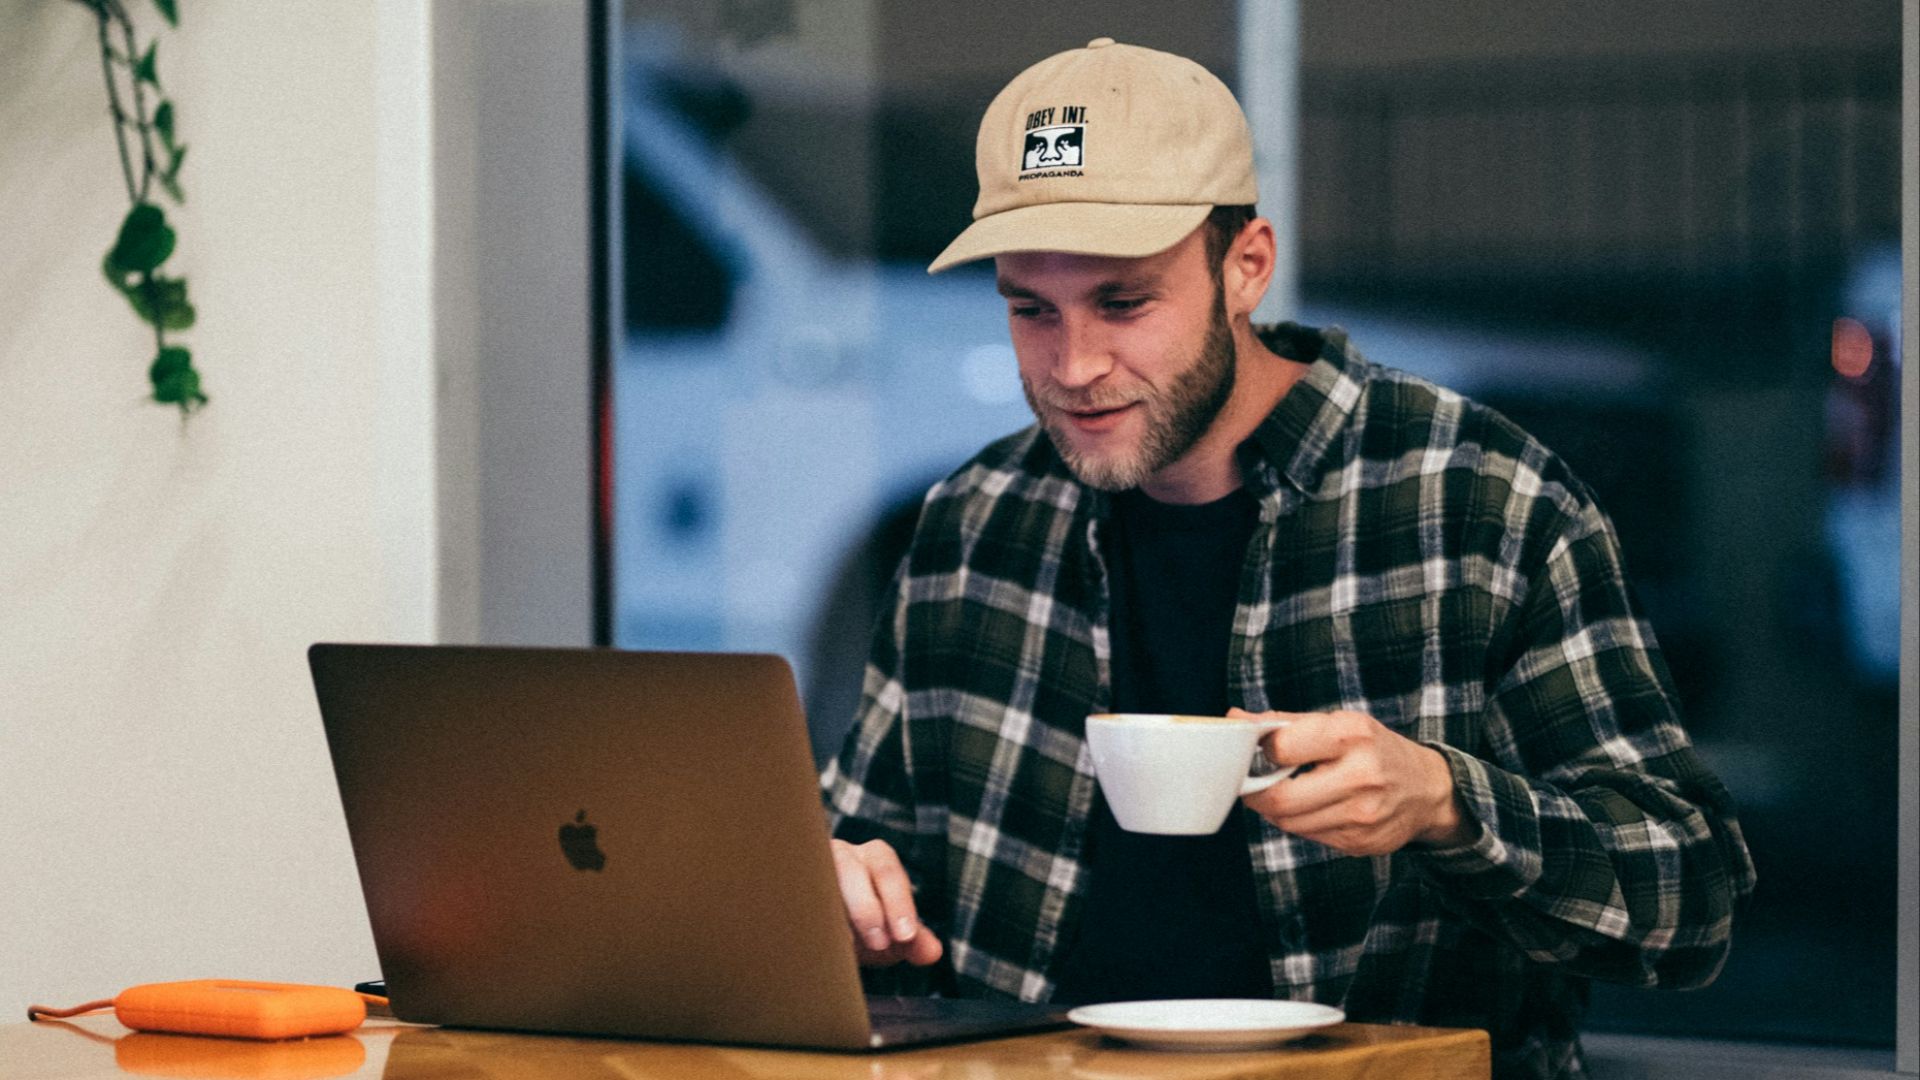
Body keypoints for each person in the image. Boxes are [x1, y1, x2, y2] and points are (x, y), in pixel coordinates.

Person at [819, 37, 1755, 1080]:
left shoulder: (1480, 501)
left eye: (1124, 303)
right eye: (1030, 309)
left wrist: (1447, 804)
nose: (1074, 367)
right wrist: (840, 890)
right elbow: (862, 852)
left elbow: (1694, 901)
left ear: (1246, 268)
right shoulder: (973, 523)